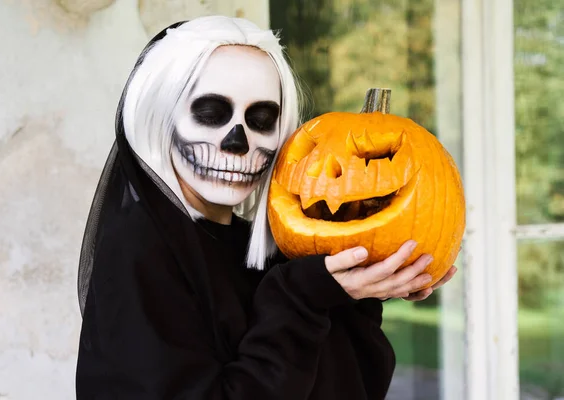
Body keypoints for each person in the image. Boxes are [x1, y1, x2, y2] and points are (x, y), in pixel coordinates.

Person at [75, 15, 457, 400]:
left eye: (261, 119)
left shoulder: (272, 255)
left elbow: (352, 385)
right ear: (159, 116)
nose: (238, 142)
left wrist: (358, 290)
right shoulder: (139, 252)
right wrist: (300, 298)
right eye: (210, 113)